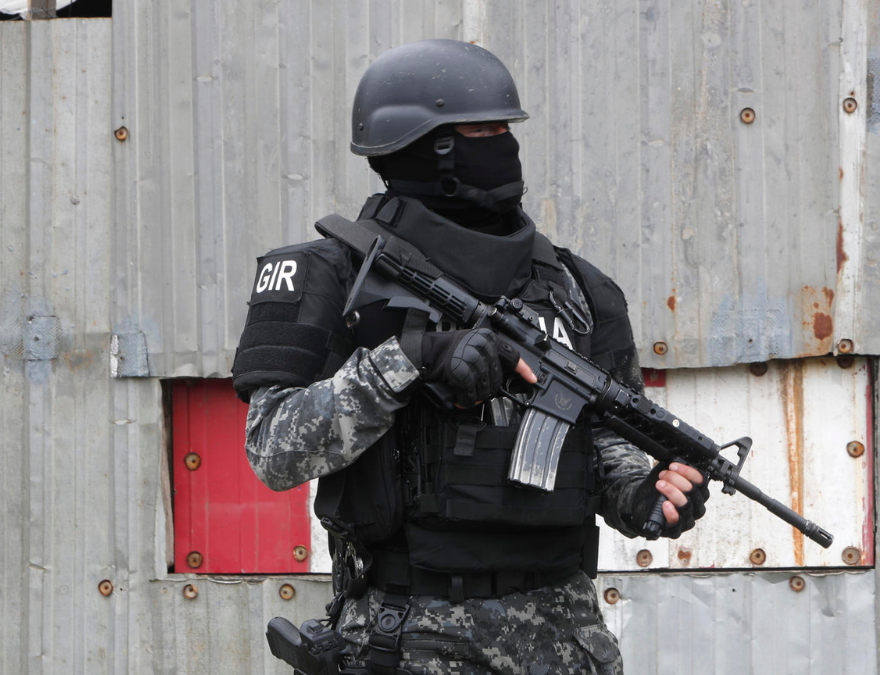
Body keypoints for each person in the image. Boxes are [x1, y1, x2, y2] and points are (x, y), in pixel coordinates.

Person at [231, 39, 709, 675]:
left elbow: (601, 443)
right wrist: (409, 359)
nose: (503, 146)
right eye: (481, 130)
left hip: (567, 638)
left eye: (504, 130)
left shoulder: (578, 289)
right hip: (408, 634)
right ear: (422, 147)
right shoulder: (330, 274)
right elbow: (274, 450)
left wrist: (643, 496)